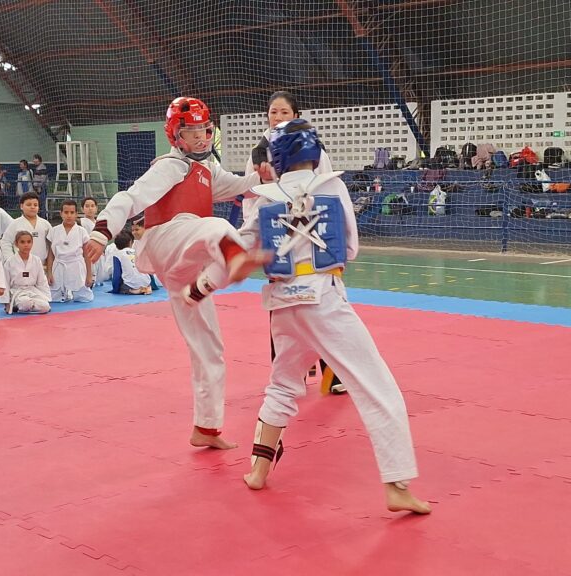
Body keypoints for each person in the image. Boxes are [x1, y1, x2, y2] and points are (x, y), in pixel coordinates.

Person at [237, 119, 430, 514]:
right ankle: (397, 484)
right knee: (378, 386)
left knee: (283, 384)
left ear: (278, 157)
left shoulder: (264, 195)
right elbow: (351, 248)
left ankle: (258, 470)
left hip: (284, 304)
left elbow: (242, 247)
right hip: (324, 300)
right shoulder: (332, 186)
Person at [84, 96, 272, 449]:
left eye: (204, 129)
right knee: (212, 225)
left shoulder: (208, 171)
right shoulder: (170, 165)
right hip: (166, 239)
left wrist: (262, 177)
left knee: (210, 347)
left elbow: (238, 185)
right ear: (176, 136)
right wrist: (101, 230)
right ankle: (234, 258)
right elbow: (131, 197)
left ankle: (207, 426)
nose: (200, 138)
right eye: (191, 132)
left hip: (186, 261)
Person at [247, 90, 342, 395]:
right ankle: (289, 377)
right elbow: (252, 197)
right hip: (279, 236)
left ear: (296, 115)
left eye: (284, 112)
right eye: (273, 112)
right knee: (282, 307)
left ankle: (334, 373)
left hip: (317, 235)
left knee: (326, 306)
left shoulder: (317, 150)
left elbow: (329, 192)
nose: (277, 117)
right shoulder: (259, 153)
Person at [46, 200, 94, 303]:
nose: (69, 215)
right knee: (53, 298)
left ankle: (72, 293)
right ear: (61, 213)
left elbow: (87, 255)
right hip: (59, 264)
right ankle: (65, 293)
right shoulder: (54, 230)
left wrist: (89, 275)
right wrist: (49, 272)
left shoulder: (82, 231)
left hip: (76, 264)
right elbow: (50, 255)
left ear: (76, 214)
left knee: (84, 298)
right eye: (66, 212)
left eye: (72, 213)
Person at [5, 230, 50, 314]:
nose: (26, 245)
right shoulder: (10, 261)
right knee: (25, 303)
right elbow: (5, 283)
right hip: (17, 292)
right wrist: (6, 303)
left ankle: (24, 307)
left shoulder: (36, 260)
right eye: (22, 242)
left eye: (29, 242)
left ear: (32, 243)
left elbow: (42, 281)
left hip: (32, 290)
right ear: (16, 244)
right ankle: (17, 305)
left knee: (45, 307)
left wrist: (46, 296)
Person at [0, 191, 51, 261]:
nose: (32, 207)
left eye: (35, 205)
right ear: (21, 206)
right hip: (20, 263)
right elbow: (5, 241)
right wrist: (10, 259)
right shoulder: (15, 224)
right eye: (29, 205)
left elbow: (52, 243)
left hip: (42, 263)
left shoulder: (45, 224)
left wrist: (49, 264)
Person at [111, 231, 151, 295]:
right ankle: (147, 288)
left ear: (116, 245)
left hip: (131, 285)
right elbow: (148, 270)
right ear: (130, 242)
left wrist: (114, 290)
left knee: (122, 286)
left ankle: (133, 291)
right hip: (146, 282)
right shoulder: (138, 252)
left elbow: (117, 275)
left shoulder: (117, 255)